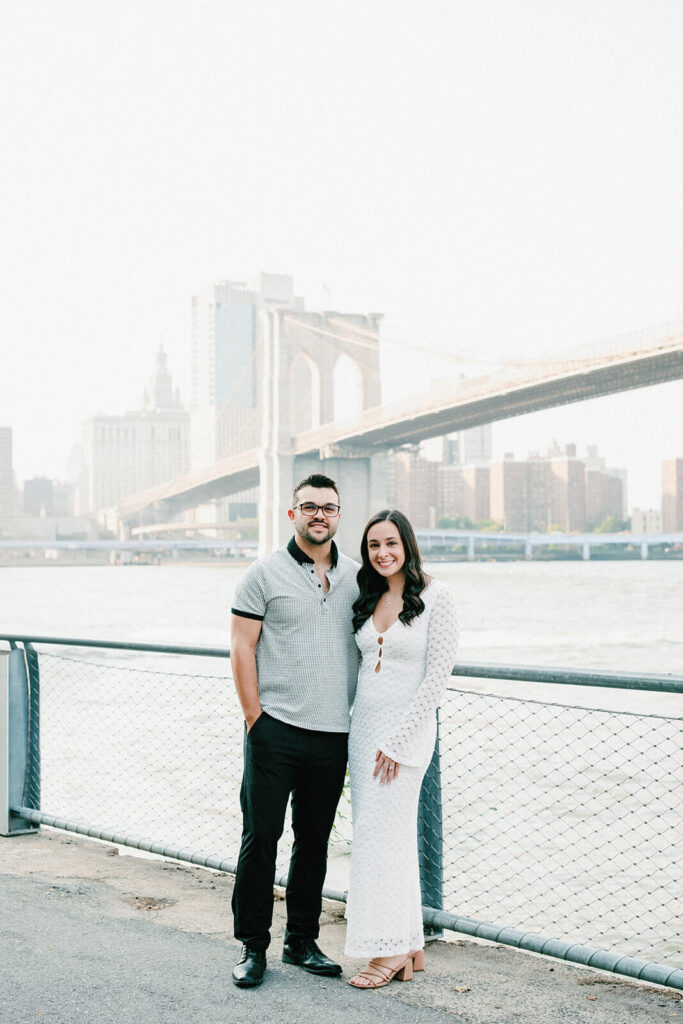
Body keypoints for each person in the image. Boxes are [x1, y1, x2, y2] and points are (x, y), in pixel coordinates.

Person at [229, 473, 359, 988]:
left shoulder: (356, 576)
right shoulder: (262, 575)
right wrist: (255, 718)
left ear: (338, 515)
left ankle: (301, 940)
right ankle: (252, 946)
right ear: (293, 515)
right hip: (275, 728)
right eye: (309, 507)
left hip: (332, 734)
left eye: (329, 507)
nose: (319, 515)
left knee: (314, 842)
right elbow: (241, 648)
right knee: (261, 838)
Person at [344, 509, 458, 989]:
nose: (382, 553)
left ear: (407, 544)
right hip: (362, 735)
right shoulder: (367, 595)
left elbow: (437, 677)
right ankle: (408, 943)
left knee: (385, 843)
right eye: (373, 545)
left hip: (403, 740)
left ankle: (387, 952)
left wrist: (396, 740)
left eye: (391, 543)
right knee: (374, 840)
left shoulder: (437, 596)